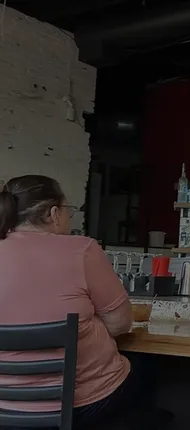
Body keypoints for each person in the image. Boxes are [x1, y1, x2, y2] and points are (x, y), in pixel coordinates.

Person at [0, 175, 145, 428]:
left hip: (6, 407)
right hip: (84, 404)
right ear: (54, 214)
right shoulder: (82, 249)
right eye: (68, 210)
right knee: (150, 371)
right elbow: (121, 324)